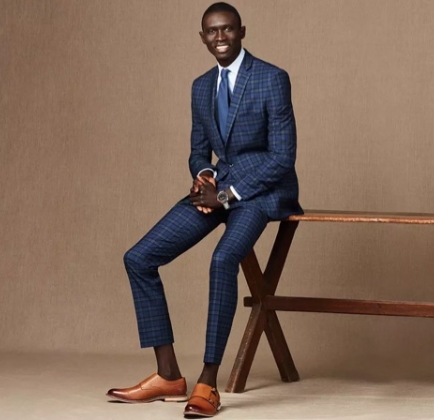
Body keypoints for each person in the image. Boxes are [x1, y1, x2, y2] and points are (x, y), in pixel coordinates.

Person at [106, 2, 302, 417]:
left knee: (222, 259)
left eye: (227, 30)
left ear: (241, 31)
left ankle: (207, 383)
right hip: (218, 190)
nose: (220, 38)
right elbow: (199, 150)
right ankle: (168, 376)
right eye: (212, 32)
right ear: (202, 37)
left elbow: (282, 157)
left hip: (264, 192)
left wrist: (228, 197)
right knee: (139, 258)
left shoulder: (271, 78)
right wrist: (206, 174)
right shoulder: (200, 86)